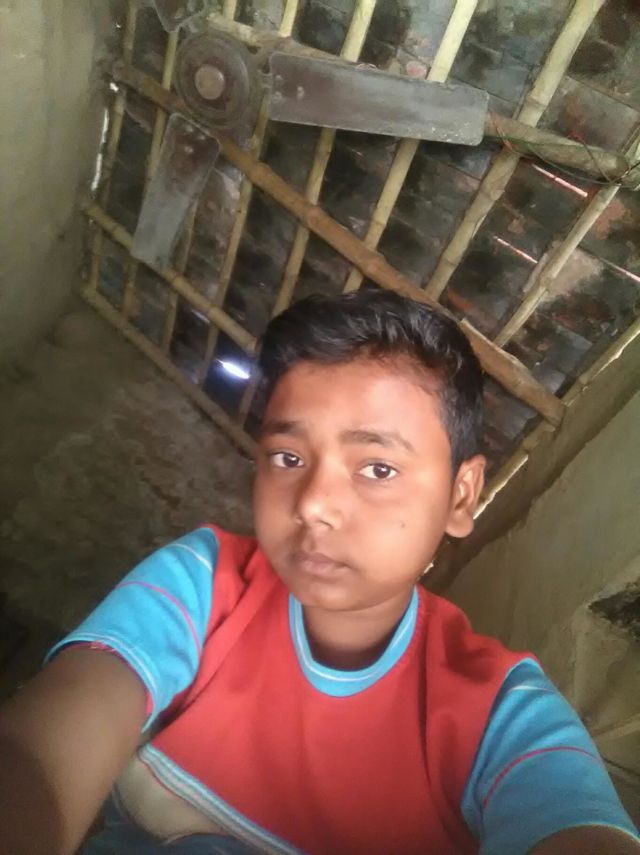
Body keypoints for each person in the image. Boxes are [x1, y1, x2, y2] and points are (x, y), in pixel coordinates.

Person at [0, 290, 638, 855]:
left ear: (461, 495)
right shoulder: (202, 583)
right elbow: (39, 755)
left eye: (377, 468)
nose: (312, 504)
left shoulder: (501, 717)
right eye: (288, 456)